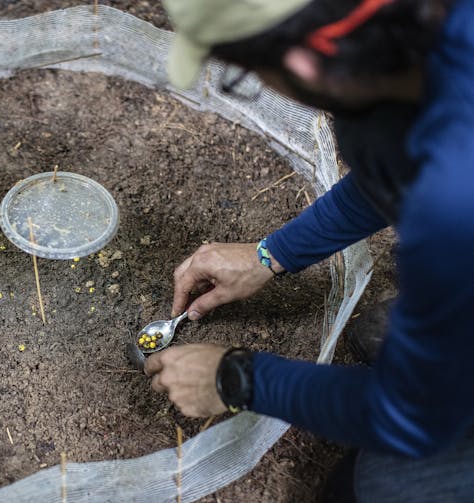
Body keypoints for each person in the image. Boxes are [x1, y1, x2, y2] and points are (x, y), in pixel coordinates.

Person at [145, 0, 474, 500]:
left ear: (306, 62)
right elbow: (392, 167)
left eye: (247, 72)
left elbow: (411, 421)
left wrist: (239, 378)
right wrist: (271, 254)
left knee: (378, 486)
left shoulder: (452, 204)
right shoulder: (434, 37)